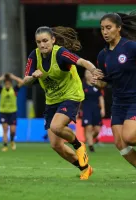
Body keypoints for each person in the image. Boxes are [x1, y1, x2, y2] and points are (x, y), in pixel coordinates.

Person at [23, 26, 103, 180]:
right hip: (52, 100)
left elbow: (81, 61)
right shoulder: (34, 56)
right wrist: (33, 76)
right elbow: (25, 81)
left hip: (71, 95)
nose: (42, 45)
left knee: (56, 126)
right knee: (56, 145)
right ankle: (85, 167)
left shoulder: (60, 53)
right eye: (39, 42)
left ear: (53, 40)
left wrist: (93, 70)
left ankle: (78, 144)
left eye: (45, 40)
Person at [96, 12, 136, 183]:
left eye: (109, 28)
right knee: (120, 143)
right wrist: (97, 81)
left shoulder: (132, 47)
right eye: (102, 29)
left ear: (119, 28)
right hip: (119, 102)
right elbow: (104, 83)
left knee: (129, 137)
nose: (105, 32)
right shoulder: (102, 56)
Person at [0, 73, 23, 152]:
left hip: (12, 112)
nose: (7, 85)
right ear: (5, 84)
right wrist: (2, 77)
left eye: (9, 83)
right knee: (5, 129)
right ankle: (5, 145)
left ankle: (12, 141)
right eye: (6, 83)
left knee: (12, 130)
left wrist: (13, 77)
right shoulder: (1, 90)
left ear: (11, 84)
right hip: (3, 112)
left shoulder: (15, 89)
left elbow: (22, 82)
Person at [81, 70, 105, 152]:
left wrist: (102, 108)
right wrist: (77, 110)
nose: (89, 75)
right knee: (89, 127)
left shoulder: (97, 85)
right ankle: (91, 147)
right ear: (85, 75)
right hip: (86, 109)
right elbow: (79, 99)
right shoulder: (82, 86)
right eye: (87, 73)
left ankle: (88, 140)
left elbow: (100, 97)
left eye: (90, 73)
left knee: (97, 130)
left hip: (96, 109)